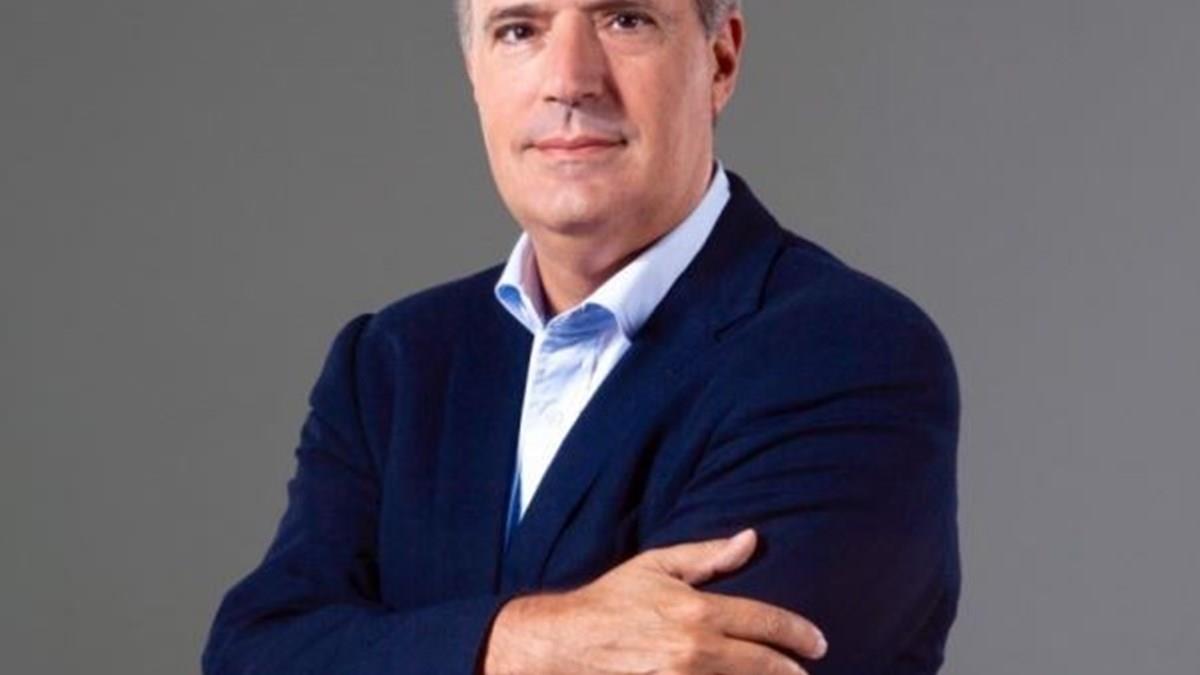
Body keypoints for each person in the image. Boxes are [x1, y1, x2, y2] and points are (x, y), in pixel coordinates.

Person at [202, 1, 961, 673]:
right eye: (518, 30)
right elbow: (251, 653)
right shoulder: (393, 363)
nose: (569, 80)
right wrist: (523, 647)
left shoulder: (850, 355)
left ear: (720, 59)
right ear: (474, 73)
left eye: (625, 19)